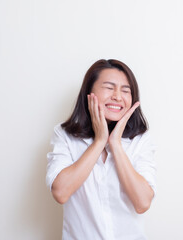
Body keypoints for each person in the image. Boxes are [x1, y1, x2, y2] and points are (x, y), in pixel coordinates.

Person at [46, 59, 157, 240]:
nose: (117, 96)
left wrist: (116, 145)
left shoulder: (140, 140)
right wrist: (99, 142)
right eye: (109, 87)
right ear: (89, 92)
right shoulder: (65, 135)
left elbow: (142, 202)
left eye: (125, 90)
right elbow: (61, 192)